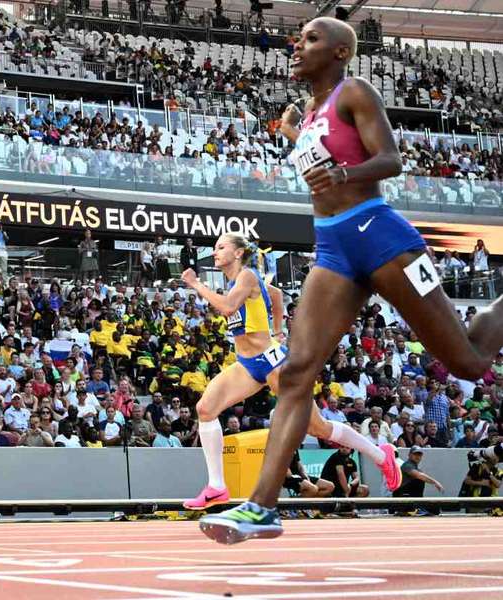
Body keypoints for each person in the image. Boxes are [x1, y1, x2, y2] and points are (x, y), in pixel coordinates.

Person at [200, 16, 503, 544]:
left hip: (381, 236)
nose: (298, 46)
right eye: (298, 39)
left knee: (469, 363)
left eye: (312, 39)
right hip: (333, 246)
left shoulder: (354, 92)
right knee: (296, 373)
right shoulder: (312, 113)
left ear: (340, 52)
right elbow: (316, 156)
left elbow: (390, 159)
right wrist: (296, 137)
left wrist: (345, 173)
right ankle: (260, 508)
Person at [182, 235, 399, 511]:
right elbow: (274, 295)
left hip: (274, 363)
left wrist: (196, 284)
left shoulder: (246, 275)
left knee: (317, 427)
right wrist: (276, 330)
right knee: (205, 409)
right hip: (248, 364)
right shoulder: (241, 280)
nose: (214, 253)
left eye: (220, 247)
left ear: (238, 253)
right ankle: (216, 487)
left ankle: (382, 456)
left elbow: (226, 307)